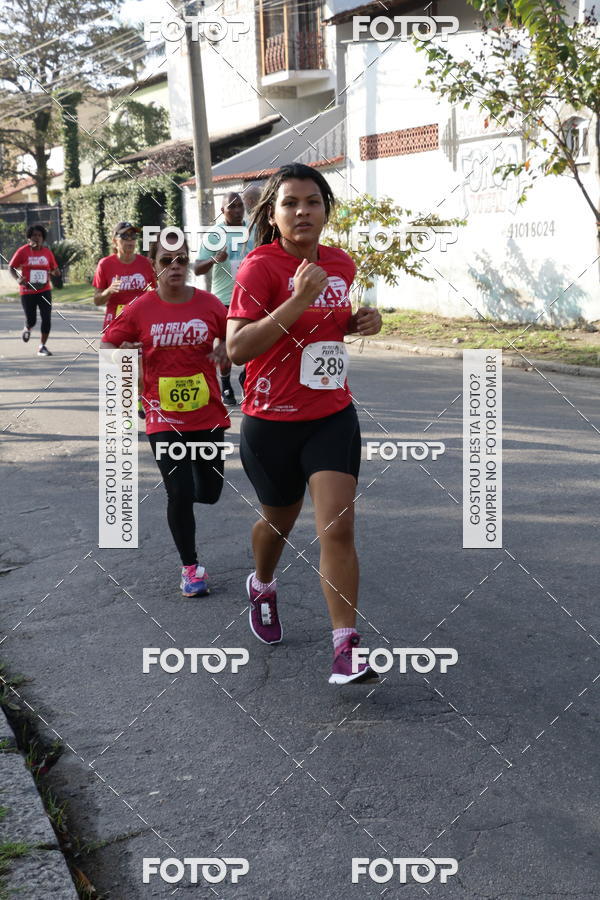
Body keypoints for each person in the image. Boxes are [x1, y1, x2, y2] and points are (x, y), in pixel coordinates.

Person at [226, 163, 383, 685]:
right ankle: (262, 582)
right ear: (272, 214)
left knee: (337, 525)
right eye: (290, 203)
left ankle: (346, 649)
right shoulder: (258, 268)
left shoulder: (341, 263)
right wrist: (298, 298)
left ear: (326, 209)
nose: (302, 211)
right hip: (271, 421)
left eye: (312, 201)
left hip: (331, 415)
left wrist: (363, 321)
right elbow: (237, 349)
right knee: (278, 523)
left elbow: (334, 324)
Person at [101, 231, 231, 598]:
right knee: (180, 492)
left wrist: (226, 350)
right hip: (162, 416)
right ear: (154, 267)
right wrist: (121, 354)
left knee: (210, 492)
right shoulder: (140, 308)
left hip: (207, 415)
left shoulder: (209, 304)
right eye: (166, 261)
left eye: (182, 260)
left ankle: (194, 483)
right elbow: (108, 343)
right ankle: (191, 569)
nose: (175, 266)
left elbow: (234, 337)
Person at [194, 192, 253, 407]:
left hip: (251, 296)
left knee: (255, 340)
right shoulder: (214, 235)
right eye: (232, 207)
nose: (237, 211)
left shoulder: (252, 229)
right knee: (227, 344)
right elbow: (198, 268)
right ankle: (226, 384)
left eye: (240, 206)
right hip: (225, 298)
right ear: (222, 211)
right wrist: (214, 259)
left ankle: (246, 376)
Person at [93, 222, 155, 418]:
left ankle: (137, 400)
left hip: (140, 322)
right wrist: (109, 291)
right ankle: (127, 406)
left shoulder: (145, 263)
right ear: (115, 241)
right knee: (124, 367)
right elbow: (96, 300)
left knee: (141, 369)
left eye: (133, 237)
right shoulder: (106, 264)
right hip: (116, 324)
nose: (130, 241)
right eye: (125, 237)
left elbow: (155, 290)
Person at [9, 224, 60, 356]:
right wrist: (18, 279)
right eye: (34, 236)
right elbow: (11, 267)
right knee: (32, 319)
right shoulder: (22, 251)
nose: (37, 238)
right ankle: (27, 327)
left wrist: (56, 272)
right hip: (27, 291)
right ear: (29, 238)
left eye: (39, 236)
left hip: (44, 290)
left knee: (47, 318)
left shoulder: (47, 253)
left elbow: (54, 268)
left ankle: (42, 346)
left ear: (43, 238)